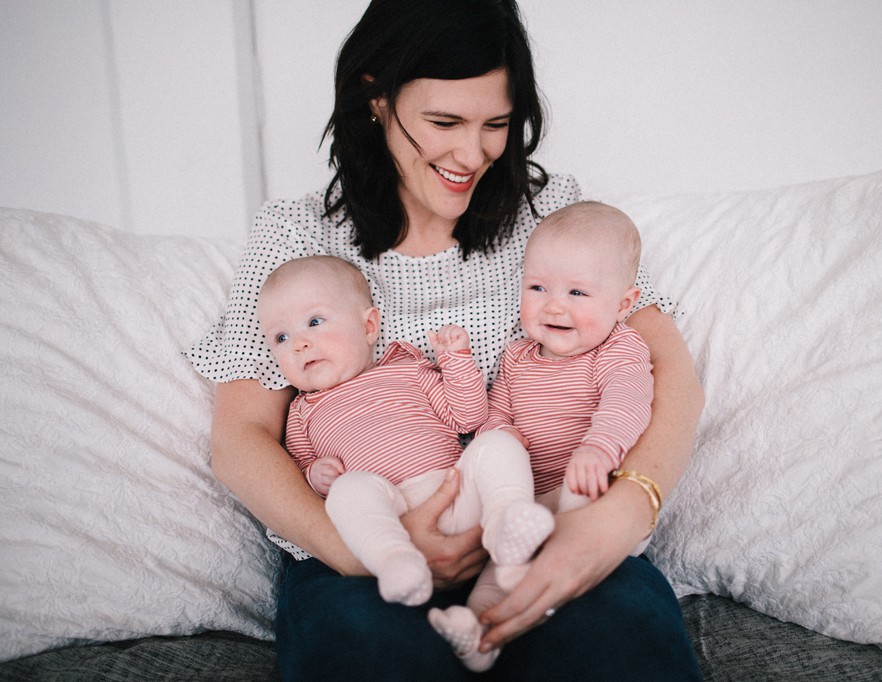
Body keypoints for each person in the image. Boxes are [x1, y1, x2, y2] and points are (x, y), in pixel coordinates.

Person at [187, 0, 704, 678]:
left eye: (496, 124)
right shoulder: (296, 235)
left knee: (625, 648)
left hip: (544, 521)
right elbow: (239, 441)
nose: (472, 153)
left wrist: (626, 511)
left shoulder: (553, 214)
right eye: (443, 122)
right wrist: (365, 552)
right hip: (367, 551)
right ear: (376, 98)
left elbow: (670, 370)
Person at [428, 201, 658, 671]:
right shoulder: (517, 357)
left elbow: (627, 400)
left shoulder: (619, 349)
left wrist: (598, 447)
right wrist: (502, 431)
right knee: (502, 557)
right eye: (537, 287)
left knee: (579, 495)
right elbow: (497, 414)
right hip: (528, 510)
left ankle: (511, 610)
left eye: (577, 292)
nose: (554, 305)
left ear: (623, 304)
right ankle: (475, 635)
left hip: (587, 502)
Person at [256, 255, 553, 607]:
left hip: (456, 492)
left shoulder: (408, 370)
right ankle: (395, 561)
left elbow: (468, 417)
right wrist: (313, 476)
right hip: (389, 512)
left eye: (315, 321)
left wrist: (456, 361)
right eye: (281, 337)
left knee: (498, 442)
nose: (298, 344)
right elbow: (303, 466)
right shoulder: (302, 412)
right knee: (347, 492)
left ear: (368, 327)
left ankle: (508, 518)